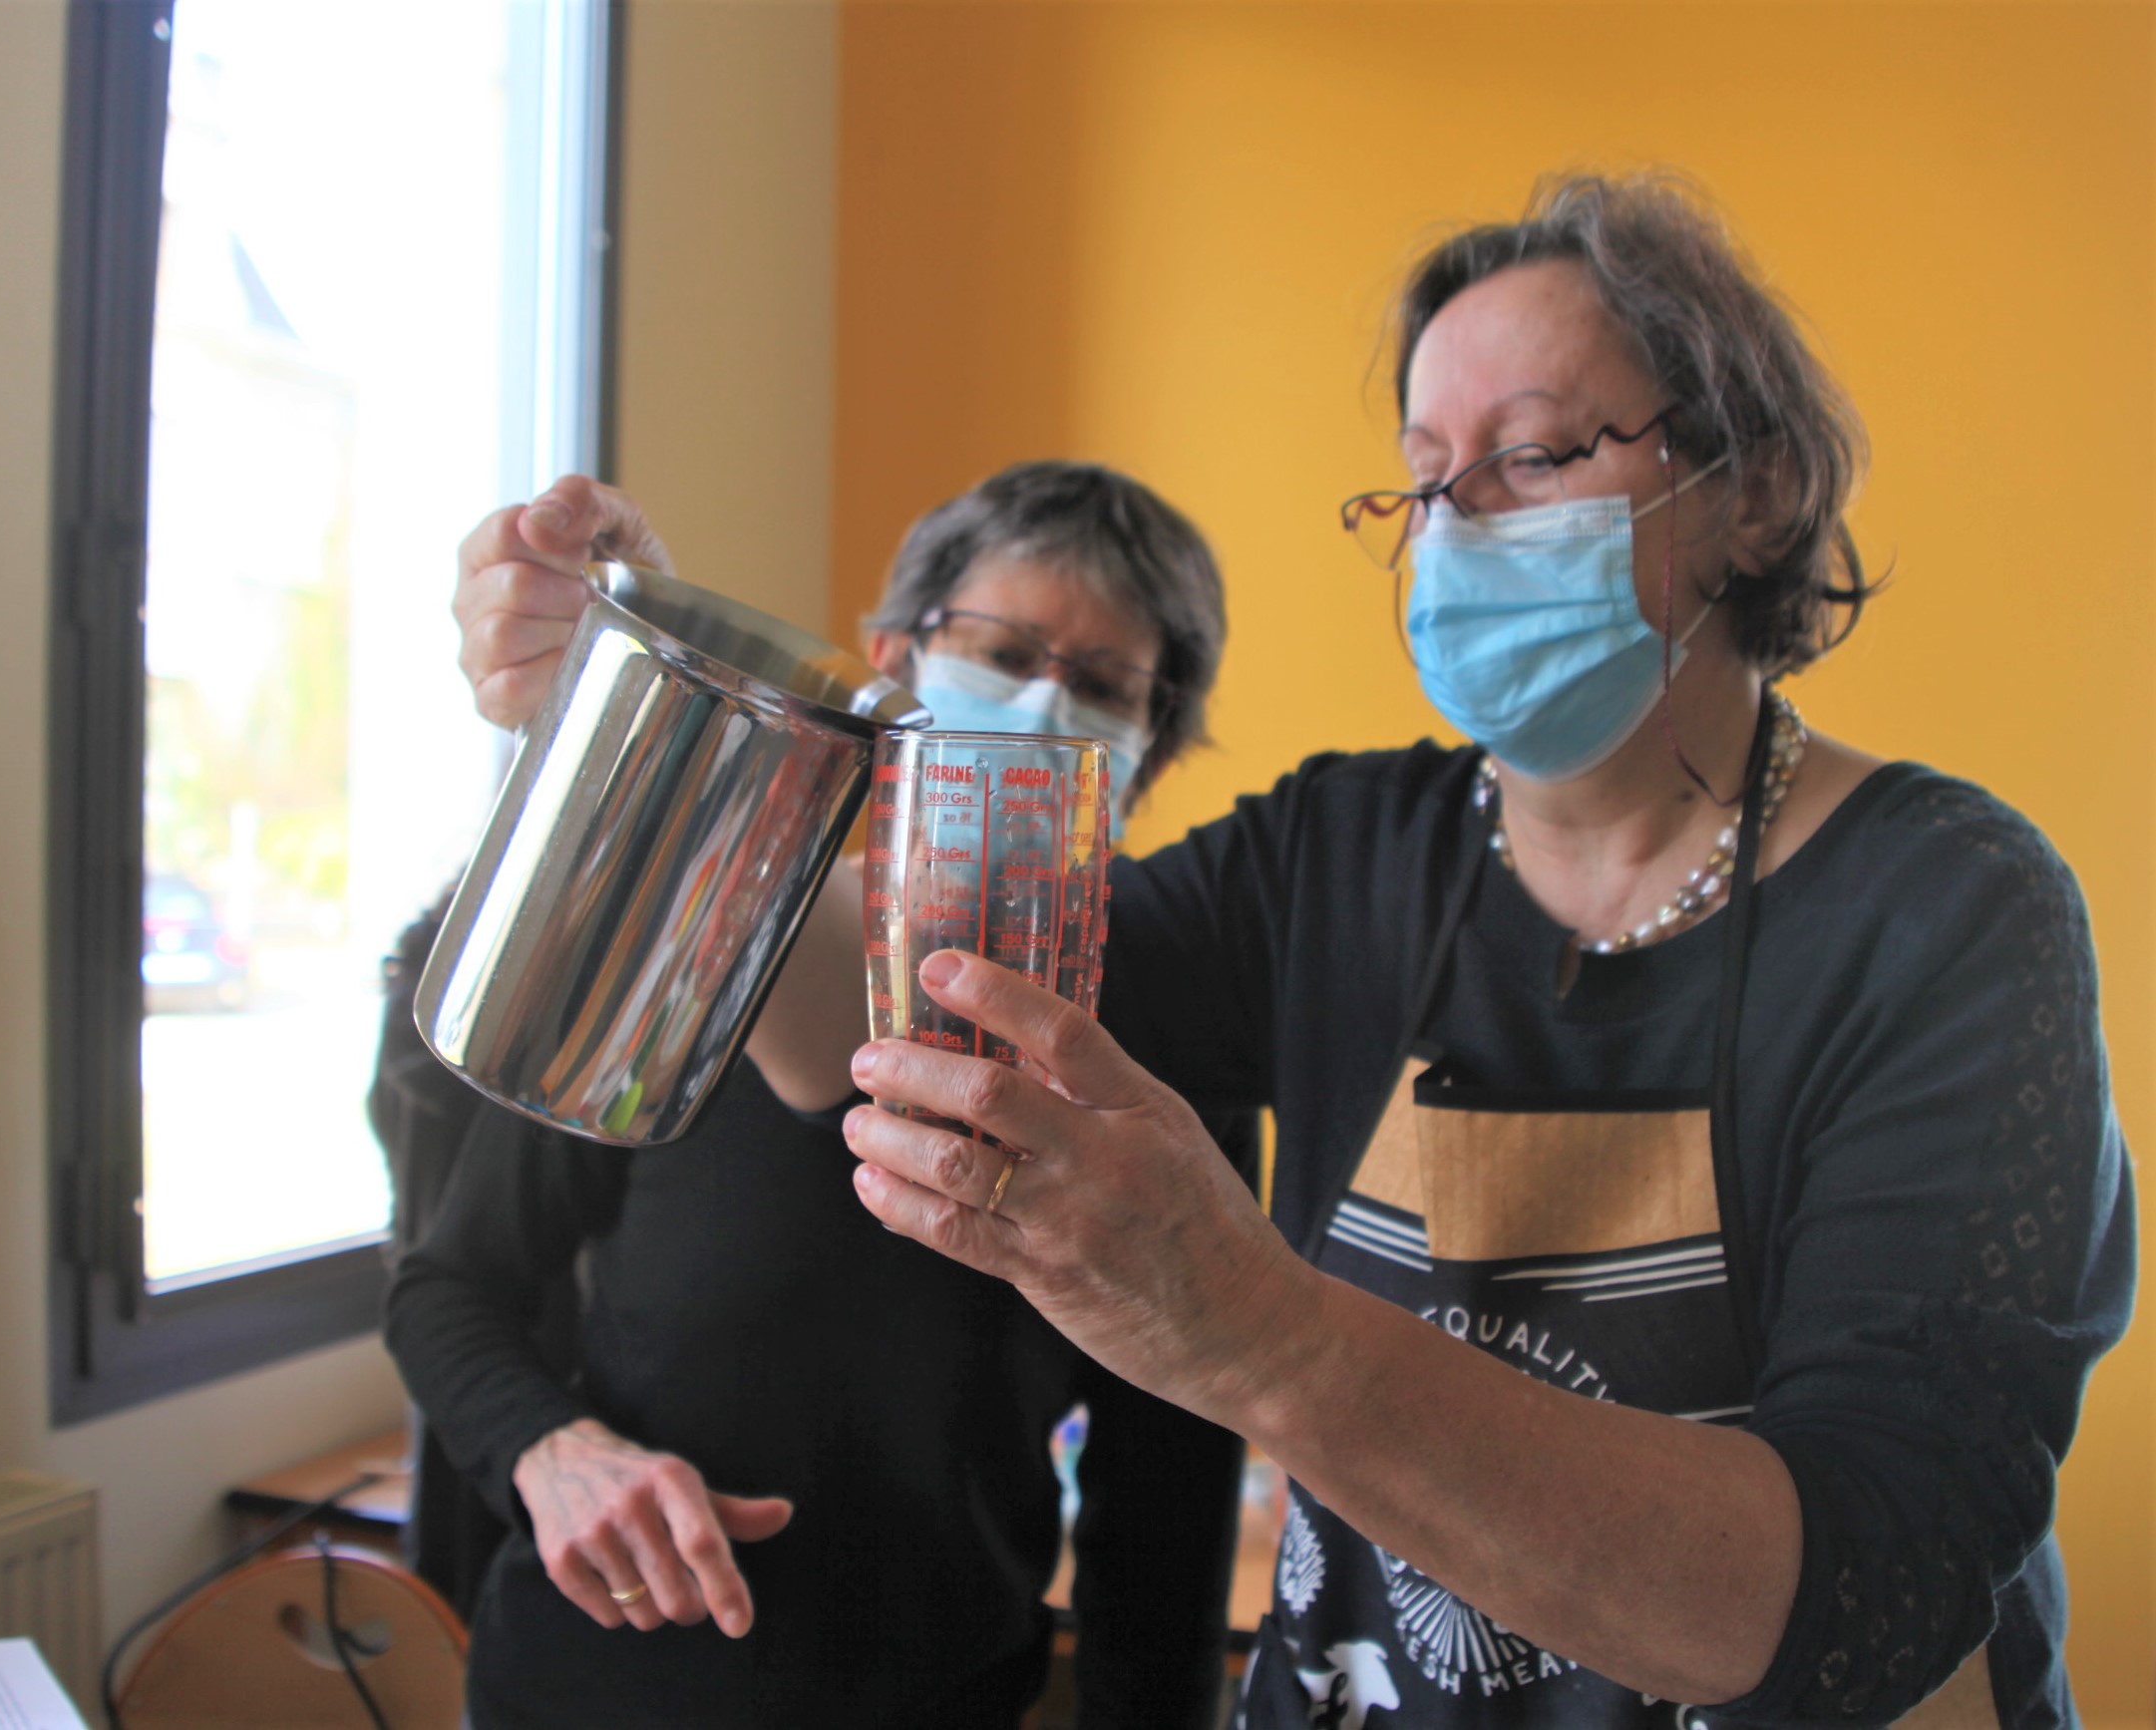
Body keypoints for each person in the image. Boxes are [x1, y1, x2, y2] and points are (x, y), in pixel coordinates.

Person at [457, 175, 2135, 1726]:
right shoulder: (1335, 854)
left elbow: (1850, 1594)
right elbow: (884, 1015)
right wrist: (654, 708)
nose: (1458, 526)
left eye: (1532, 458)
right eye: (1423, 480)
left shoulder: (1943, 911)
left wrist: (1255, 1332)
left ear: (1746, 491)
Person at [385, 462, 1258, 1730]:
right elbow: (444, 1287)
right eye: (1003, 651)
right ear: (892, 659)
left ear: (1151, 742)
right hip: (587, 1692)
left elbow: (1165, 1512)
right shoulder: (693, 946)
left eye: (1102, 683)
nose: (1039, 702)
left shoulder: (1158, 1072)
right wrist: (549, 1450)